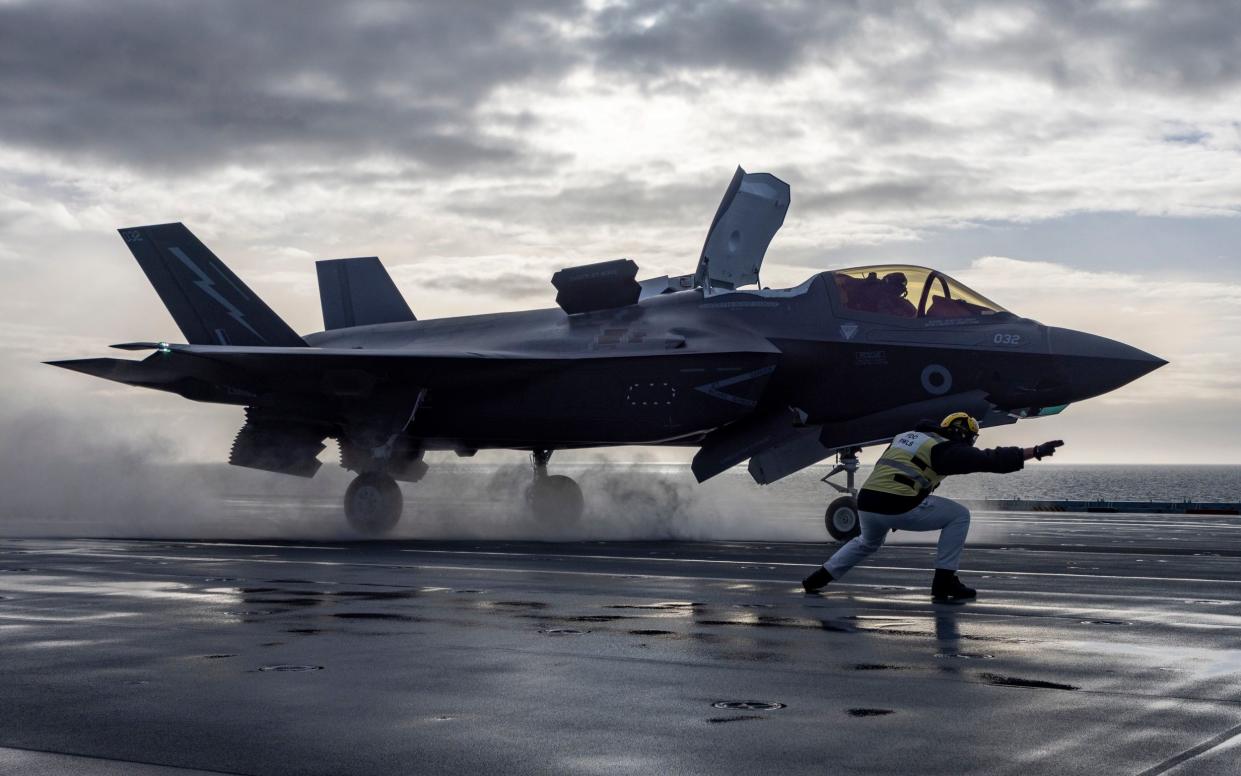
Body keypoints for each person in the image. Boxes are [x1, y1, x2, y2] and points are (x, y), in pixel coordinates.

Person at [801, 413, 1063, 601]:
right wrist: (1035, 451)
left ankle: (818, 578)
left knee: (866, 543)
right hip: (898, 503)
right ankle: (944, 581)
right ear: (963, 435)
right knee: (959, 516)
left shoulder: (906, 437)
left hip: (868, 503)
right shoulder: (943, 449)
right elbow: (988, 459)